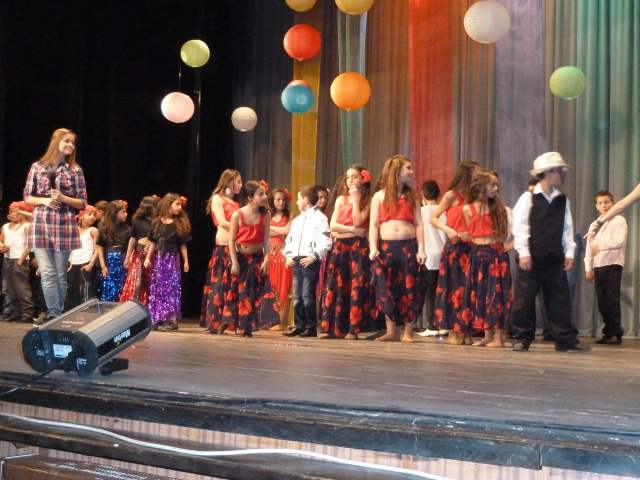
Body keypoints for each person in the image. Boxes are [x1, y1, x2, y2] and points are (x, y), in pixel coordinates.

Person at [511, 152, 588, 352]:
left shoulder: (562, 200)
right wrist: (524, 252)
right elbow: (520, 226)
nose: (562, 174)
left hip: (554, 258)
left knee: (559, 299)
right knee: (524, 299)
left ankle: (565, 340)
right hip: (532, 257)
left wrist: (569, 252)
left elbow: (567, 228)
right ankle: (522, 337)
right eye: (559, 170)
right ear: (547, 172)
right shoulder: (528, 198)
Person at [23, 128, 88, 318]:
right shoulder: (38, 167)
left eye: (72, 142)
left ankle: (57, 314)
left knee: (60, 273)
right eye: (66, 141)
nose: (70, 145)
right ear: (56, 142)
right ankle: (54, 313)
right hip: (41, 224)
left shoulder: (75, 170)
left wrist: (63, 198)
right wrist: (44, 200)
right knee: (47, 272)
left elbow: (83, 202)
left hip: (64, 224)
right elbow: (27, 197)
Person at [369, 154, 426, 343]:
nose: (412, 172)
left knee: (410, 287)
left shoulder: (413, 196)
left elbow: (419, 224)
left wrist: (421, 249)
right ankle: (391, 330)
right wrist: (373, 247)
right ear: (397, 171)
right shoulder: (379, 196)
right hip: (386, 248)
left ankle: (408, 331)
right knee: (387, 287)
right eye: (408, 168)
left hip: (408, 247)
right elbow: (374, 224)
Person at [321, 165, 373, 340]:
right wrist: (352, 230)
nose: (350, 180)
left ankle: (353, 329)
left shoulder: (367, 200)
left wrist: (356, 200)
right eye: (348, 177)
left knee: (355, 287)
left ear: (363, 180)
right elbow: (332, 226)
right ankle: (334, 328)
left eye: (354, 177)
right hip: (340, 247)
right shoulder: (340, 199)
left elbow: (359, 221)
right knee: (336, 285)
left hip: (358, 248)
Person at [431, 161, 478, 344]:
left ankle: (465, 329)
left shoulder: (476, 197)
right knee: (453, 289)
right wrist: (448, 230)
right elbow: (433, 218)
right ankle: (453, 330)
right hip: (455, 249)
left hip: (472, 248)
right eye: (475, 173)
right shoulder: (452, 195)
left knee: (469, 289)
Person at [461, 171, 511, 347]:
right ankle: (487, 335)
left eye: (497, 185)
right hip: (477, 255)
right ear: (481, 187)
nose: (496, 188)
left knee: (496, 295)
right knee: (481, 293)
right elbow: (471, 232)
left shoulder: (499, 209)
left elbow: (504, 234)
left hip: (495, 255)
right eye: (492, 185)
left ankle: (498, 337)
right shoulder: (467, 209)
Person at [283, 186, 332, 337]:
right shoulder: (297, 220)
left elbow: (325, 241)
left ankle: (310, 327)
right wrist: (288, 255)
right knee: (297, 295)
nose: (297, 202)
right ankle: (299, 325)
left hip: (310, 260)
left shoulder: (320, 218)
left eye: (299, 199)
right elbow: (290, 239)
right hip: (296, 260)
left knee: (307, 294)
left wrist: (314, 256)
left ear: (306, 200)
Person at [224, 181, 271, 337]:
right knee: (238, 293)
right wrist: (234, 262)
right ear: (250, 197)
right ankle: (236, 325)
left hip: (256, 258)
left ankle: (247, 327)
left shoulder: (265, 215)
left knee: (251, 293)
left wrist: (266, 259)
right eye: (260, 194)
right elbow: (231, 241)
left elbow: (266, 240)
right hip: (241, 258)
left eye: (264, 193)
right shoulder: (237, 215)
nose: (264, 196)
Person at [201, 169, 243, 333]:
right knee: (219, 285)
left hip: (235, 246)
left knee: (232, 285)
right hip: (223, 246)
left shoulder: (236, 203)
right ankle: (217, 321)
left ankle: (229, 322)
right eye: (238, 181)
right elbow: (222, 221)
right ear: (229, 181)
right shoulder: (217, 198)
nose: (240, 185)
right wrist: (243, 228)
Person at [584, 191, 627, 345]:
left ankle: (615, 333)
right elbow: (589, 247)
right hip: (598, 265)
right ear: (596, 206)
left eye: (607, 202)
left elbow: (618, 241)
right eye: (600, 203)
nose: (604, 205)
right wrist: (588, 268)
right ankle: (609, 332)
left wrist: (599, 246)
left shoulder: (619, 220)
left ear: (612, 203)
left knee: (611, 300)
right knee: (602, 301)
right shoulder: (594, 224)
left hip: (613, 263)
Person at [144, 193, 191, 330]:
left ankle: (172, 319)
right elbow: (153, 243)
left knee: (172, 288)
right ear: (168, 205)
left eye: (180, 205)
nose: (180, 207)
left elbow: (183, 245)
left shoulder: (179, 224)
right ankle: (156, 318)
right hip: (159, 259)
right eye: (177, 204)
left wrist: (186, 261)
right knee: (157, 288)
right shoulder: (157, 223)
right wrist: (148, 258)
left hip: (172, 259)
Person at [417, 180, 447, 337]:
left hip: (428, 255)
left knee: (430, 292)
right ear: (439, 194)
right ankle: (444, 323)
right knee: (443, 291)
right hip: (444, 254)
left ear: (423, 194)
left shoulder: (421, 212)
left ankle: (432, 325)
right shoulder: (444, 210)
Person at [120, 196, 158, 304]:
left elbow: (158, 239)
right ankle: (135, 304)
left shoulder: (157, 222)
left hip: (153, 255)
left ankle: (149, 305)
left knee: (151, 281)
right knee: (137, 281)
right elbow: (133, 239)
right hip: (139, 254)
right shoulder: (137, 221)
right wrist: (127, 257)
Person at [264, 188, 292, 331]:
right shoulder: (267, 215)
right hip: (269, 256)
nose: (281, 202)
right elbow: (263, 231)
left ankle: (281, 322)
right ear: (272, 201)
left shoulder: (290, 216)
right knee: (270, 287)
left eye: (283, 199)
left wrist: (272, 230)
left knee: (283, 287)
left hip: (283, 256)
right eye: (278, 199)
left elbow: (289, 231)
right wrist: (279, 231)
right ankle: (268, 321)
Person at [0, 202, 33, 322]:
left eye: (16, 212)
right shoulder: (5, 226)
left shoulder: (27, 226)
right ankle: (15, 312)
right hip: (7, 259)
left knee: (22, 288)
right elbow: (1, 240)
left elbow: (29, 245)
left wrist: (21, 259)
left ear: (23, 213)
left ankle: (27, 314)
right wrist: (2, 246)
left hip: (20, 259)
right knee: (10, 288)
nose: (13, 214)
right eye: (11, 212)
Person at [97, 200, 131, 301]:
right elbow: (100, 247)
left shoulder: (128, 229)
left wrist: (127, 260)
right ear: (114, 213)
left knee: (122, 287)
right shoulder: (105, 228)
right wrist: (103, 266)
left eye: (126, 211)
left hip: (123, 261)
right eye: (123, 212)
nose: (126, 214)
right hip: (109, 262)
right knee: (109, 288)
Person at [65, 205, 99, 310]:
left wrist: (91, 264)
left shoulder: (93, 230)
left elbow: (97, 249)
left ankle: (88, 313)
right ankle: (74, 313)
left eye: (94, 215)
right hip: (74, 263)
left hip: (86, 262)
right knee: (73, 290)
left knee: (85, 290)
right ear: (82, 216)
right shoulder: (75, 230)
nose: (92, 217)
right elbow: (72, 248)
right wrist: (70, 262)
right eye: (90, 214)